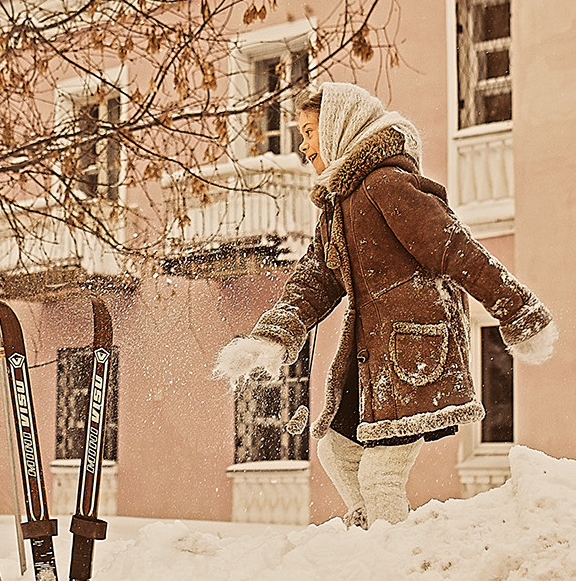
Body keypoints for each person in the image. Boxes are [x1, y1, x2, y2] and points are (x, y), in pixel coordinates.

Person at [211, 83, 556, 527]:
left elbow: (453, 248)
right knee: (335, 448)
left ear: (338, 126)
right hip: (370, 356)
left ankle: (394, 559)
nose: (304, 144)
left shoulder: (387, 184)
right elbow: (315, 278)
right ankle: (371, 535)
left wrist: (517, 309)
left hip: (412, 353)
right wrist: (273, 335)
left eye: (310, 131)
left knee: (379, 475)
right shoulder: (337, 205)